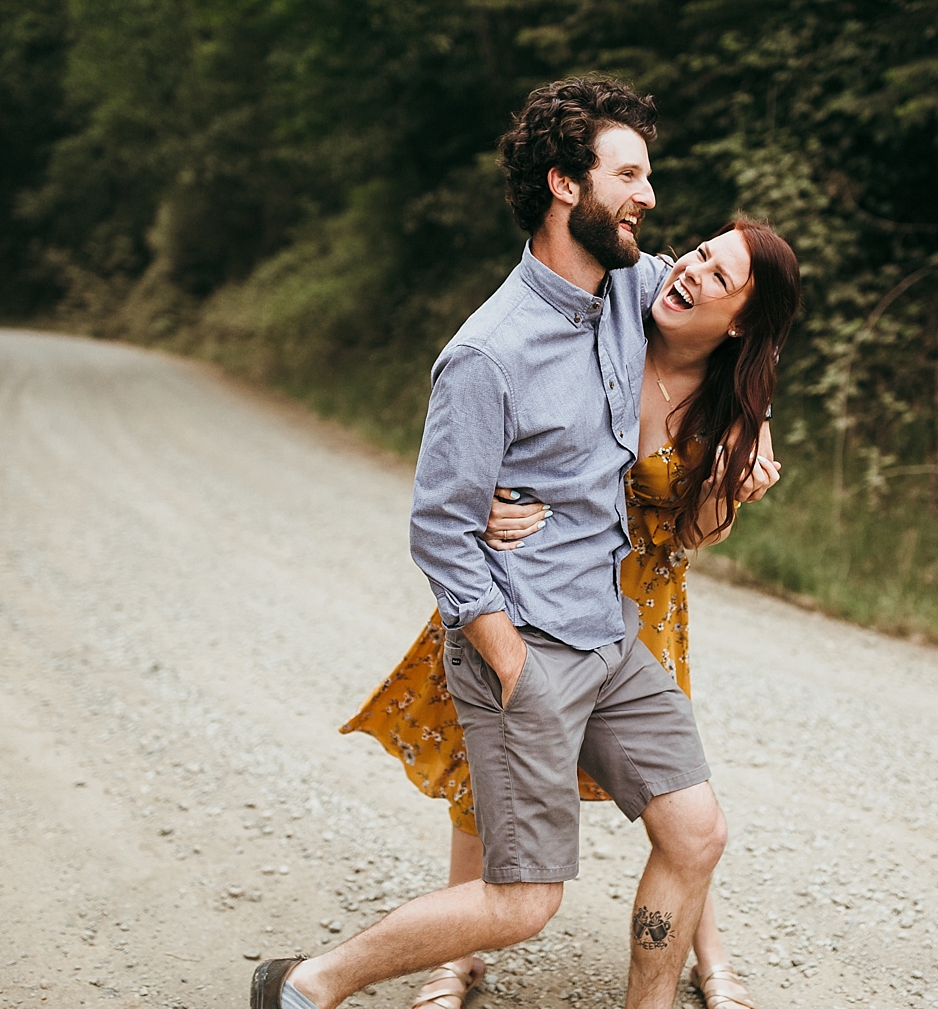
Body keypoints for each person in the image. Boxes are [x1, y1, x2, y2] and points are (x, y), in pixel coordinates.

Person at [252, 76, 719, 1009]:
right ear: (562, 183)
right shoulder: (487, 352)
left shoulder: (634, 286)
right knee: (521, 900)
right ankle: (305, 986)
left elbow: (738, 305)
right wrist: (509, 663)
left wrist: (763, 423)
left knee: (695, 828)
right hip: (531, 646)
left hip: (610, 632)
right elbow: (439, 528)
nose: (649, 197)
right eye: (628, 173)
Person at [344, 217, 800, 1009]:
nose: (690, 271)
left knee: (678, 787)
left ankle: (710, 953)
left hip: (643, 592)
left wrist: (735, 470)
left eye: (717, 277)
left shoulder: (730, 402)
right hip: (540, 576)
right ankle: (456, 957)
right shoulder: (623, 308)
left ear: (740, 325)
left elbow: (695, 534)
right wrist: (482, 495)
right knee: (483, 751)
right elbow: (529, 416)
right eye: (697, 253)